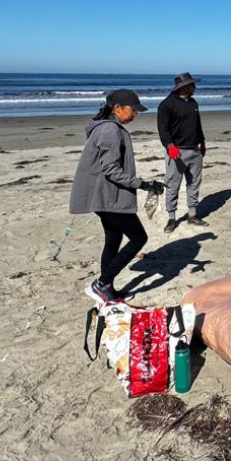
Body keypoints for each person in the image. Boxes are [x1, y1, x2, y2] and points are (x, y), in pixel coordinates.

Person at [69, 88, 163, 302]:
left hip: (105, 195)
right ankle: (101, 284)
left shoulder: (109, 128)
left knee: (113, 238)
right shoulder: (110, 130)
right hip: (106, 196)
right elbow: (110, 169)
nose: (136, 113)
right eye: (133, 109)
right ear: (117, 108)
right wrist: (143, 184)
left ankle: (107, 289)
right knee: (139, 237)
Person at [157, 72, 208, 233]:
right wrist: (170, 145)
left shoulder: (193, 103)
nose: (195, 87)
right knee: (172, 184)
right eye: (192, 85)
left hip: (194, 150)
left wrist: (202, 142)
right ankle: (171, 218)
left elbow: (197, 124)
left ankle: (192, 215)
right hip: (176, 152)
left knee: (194, 183)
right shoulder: (167, 104)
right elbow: (163, 128)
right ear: (184, 87)